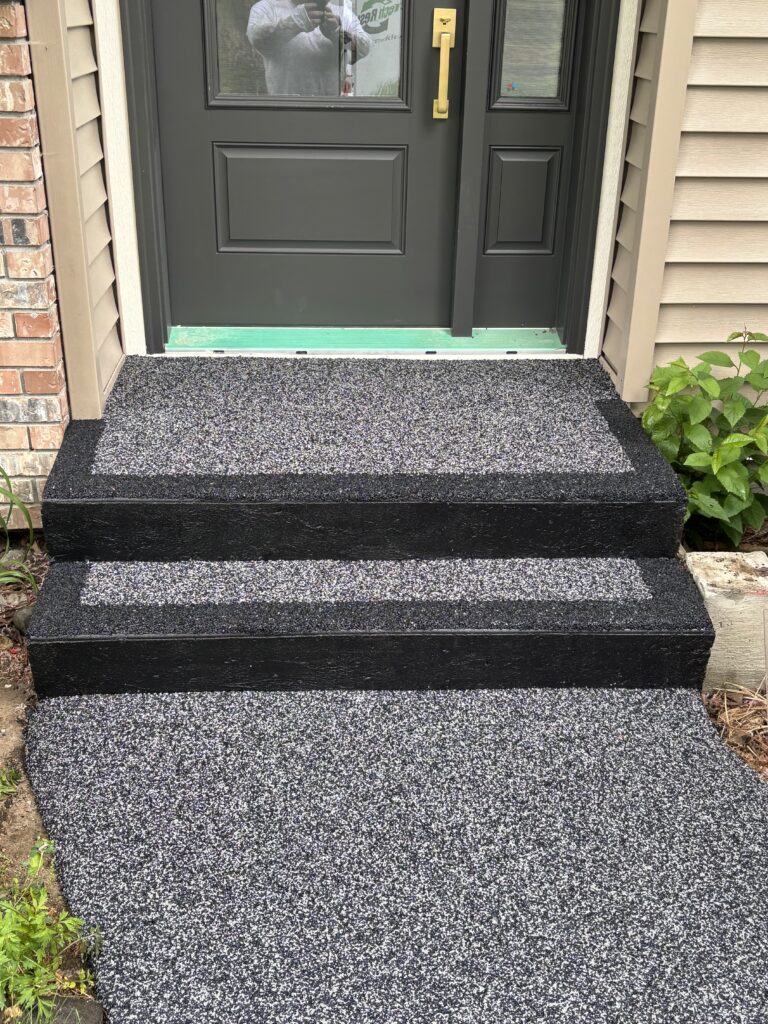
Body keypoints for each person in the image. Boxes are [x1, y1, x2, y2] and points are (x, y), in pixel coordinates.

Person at [247, 0, 371, 98]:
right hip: (285, 108)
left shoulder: (343, 13)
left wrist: (338, 33)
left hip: (331, 110)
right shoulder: (268, 7)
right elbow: (257, 39)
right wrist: (294, 22)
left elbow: (364, 48)